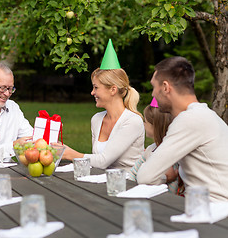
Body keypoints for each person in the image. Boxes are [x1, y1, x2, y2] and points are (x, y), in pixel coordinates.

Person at [137, 56, 228, 202]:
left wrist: (166, 178)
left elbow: (145, 176)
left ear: (166, 87)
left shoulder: (190, 119)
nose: (153, 94)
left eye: (154, 87)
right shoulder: (204, 115)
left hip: (216, 213)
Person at [61, 39, 144, 172]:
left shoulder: (132, 121)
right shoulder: (97, 119)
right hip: (101, 183)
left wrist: (69, 154)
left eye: (96, 87)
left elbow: (103, 161)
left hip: (128, 184)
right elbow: (95, 161)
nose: (92, 92)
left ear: (113, 89)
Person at [129, 99, 180, 194]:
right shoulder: (150, 149)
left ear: (155, 127)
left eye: (145, 121)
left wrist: (165, 178)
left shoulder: (171, 155)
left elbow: (172, 189)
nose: (143, 124)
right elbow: (133, 173)